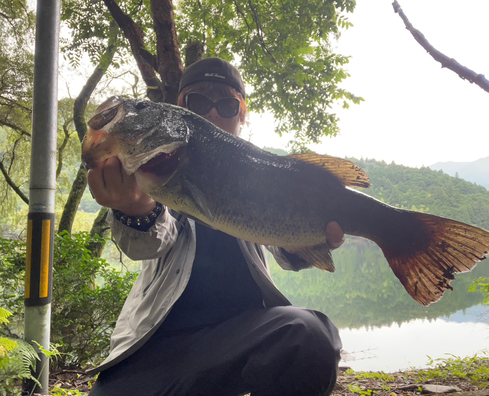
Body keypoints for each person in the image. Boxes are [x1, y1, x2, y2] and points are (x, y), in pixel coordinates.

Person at [87, 57, 344, 396]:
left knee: (309, 334)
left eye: (226, 104)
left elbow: (286, 254)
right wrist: (134, 207)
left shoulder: (260, 174)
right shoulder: (156, 167)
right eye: (199, 101)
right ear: (181, 106)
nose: (212, 112)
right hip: (152, 350)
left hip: (236, 343)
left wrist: (302, 244)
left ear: (242, 113)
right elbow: (148, 243)